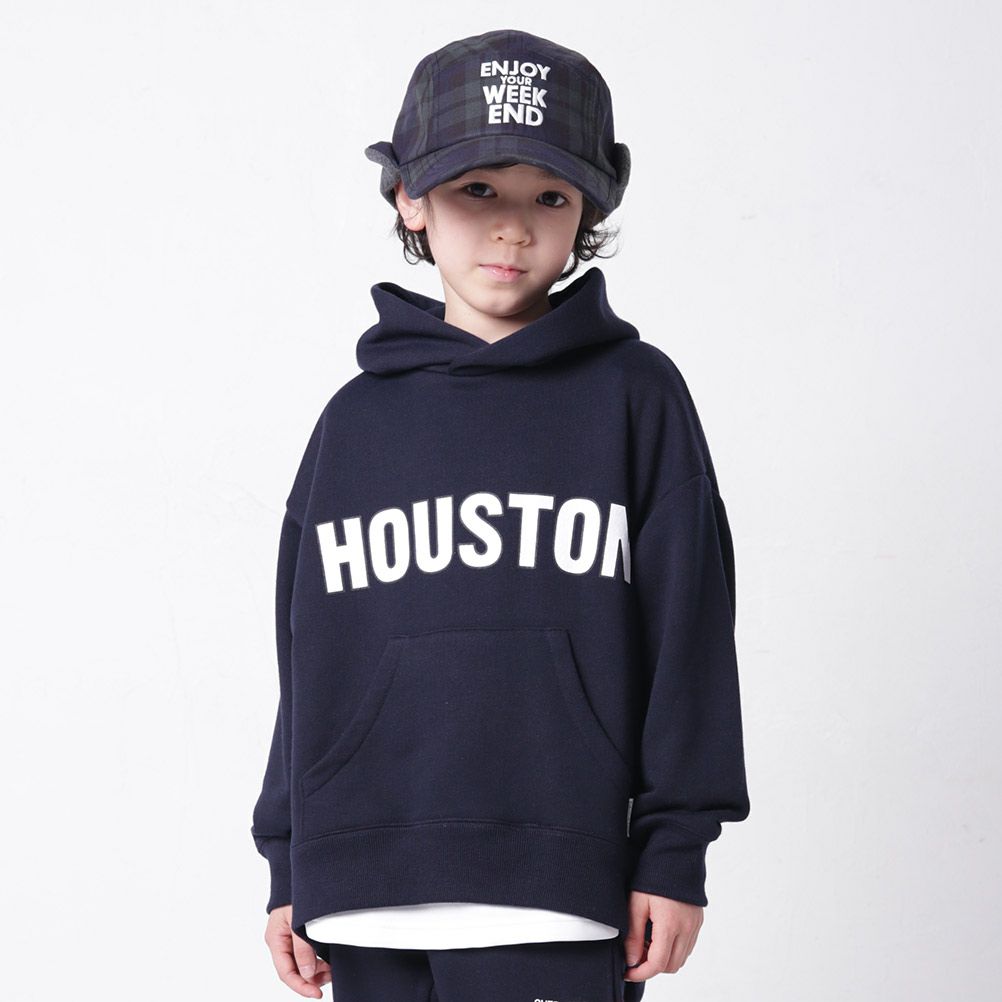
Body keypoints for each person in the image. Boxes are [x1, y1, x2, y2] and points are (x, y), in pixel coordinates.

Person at [250, 27, 751, 1002]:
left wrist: (674, 849)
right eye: (477, 189)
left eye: (549, 197)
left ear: (590, 207)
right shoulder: (354, 424)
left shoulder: (635, 397)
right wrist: (289, 862)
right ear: (410, 198)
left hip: (560, 885)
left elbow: (690, 635)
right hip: (363, 891)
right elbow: (308, 656)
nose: (513, 229)